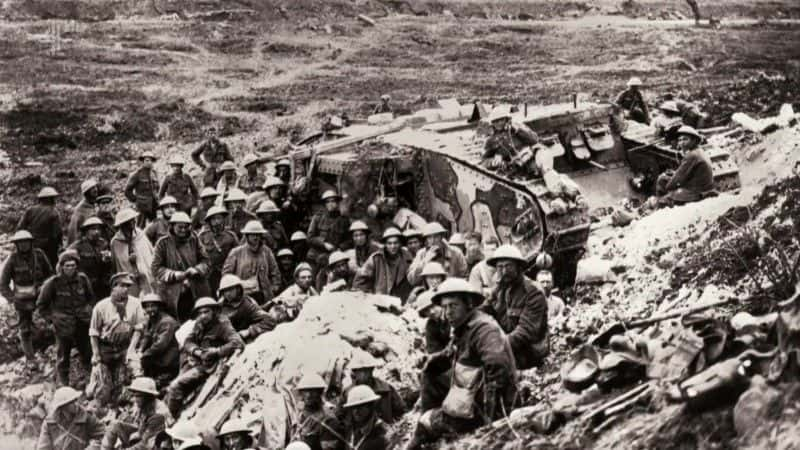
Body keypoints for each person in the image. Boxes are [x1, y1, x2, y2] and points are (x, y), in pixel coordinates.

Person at [406, 278, 517, 450]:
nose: (448, 312)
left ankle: (428, 432)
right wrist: (432, 360)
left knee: (425, 422)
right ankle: (438, 422)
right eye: (445, 307)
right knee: (430, 371)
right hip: (471, 393)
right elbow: (451, 352)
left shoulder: (484, 329)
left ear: (468, 304)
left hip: (485, 407)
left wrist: (490, 422)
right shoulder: (464, 327)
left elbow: (498, 369)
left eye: (453, 305)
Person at [166, 297, 244, 417]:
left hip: (210, 366)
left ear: (214, 311)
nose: (203, 315)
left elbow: (237, 342)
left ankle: (172, 418)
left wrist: (217, 352)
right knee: (170, 389)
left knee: (176, 386)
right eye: (200, 313)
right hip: (197, 361)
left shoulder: (222, 324)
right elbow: (187, 341)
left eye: (206, 312)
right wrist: (196, 351)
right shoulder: (200, 324)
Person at [482, 245, 548, 370]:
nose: (504, 271)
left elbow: (525, 332)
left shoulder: (533, 292)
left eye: (508, 266)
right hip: (506, 350)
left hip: (528, 357)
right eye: (500, 267)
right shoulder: (499, 289)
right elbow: (483, 312)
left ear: (518, 267)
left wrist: (496, 347)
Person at [37, 249, 95, 387]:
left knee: (87, 351)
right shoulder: (53, 283)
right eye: (67, 265)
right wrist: (51, 320)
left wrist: (88, 310)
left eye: (73, 265)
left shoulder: (82, 279)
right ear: (61, 267)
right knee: (63, 355)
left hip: (83, 321)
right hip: (63, 324)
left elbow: (91, 297)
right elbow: (41, 305)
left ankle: (90, 378)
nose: (70, 268)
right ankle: (64, 382)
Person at [89, 272, 145, 410]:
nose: (126, 289)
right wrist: (96, 354)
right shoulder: (101, 306)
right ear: (114, 287)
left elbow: (138, 328)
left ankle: (134, 404)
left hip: (124, 347)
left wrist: (131, 349)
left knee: (133, 372)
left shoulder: (135, 304)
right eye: (122, 286)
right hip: (106, 348)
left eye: (128, 286)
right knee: (100, 391)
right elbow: (94, 333)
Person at [0, 230, 53, 371]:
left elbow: (51, 274)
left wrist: (45, 289)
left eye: (26, 242)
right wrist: (12, 299)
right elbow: (3, 283)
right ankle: (30, 359)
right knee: (25, 329)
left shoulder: (39, 255)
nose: (23, 245)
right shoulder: (12, 259)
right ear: (16, 245)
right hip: (22, 299)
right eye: (20, 243)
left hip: (41, 296)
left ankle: (52, 350)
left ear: (31, 242)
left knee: (52, 321)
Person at [151, 212, 212, 321]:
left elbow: (206, 261)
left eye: (186, 227)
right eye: (180, 227)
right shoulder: (162, 243)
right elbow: (156, 268)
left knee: (199, 317)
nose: (183, 230)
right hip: (172, 292)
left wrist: (196, 270)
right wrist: (173, 274)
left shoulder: (195, 240)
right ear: (172, 226)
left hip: (195, 288)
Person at [101, 377, 172, 450]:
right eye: (134, 395)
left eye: (138, 396)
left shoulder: (158, 414)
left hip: (154, 445)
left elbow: (146, 445)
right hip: (144, 436)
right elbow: (139, 426)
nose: (135, 399)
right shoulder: (145, 405)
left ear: (148, 396)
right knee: (115, 424)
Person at [222, 221, 281, 305]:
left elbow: (275, 271)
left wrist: (274, 287)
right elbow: (226, 274)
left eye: (258, 234)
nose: (255, 237)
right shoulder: (236, 252)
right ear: (247, 236)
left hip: (263, 295)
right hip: (243, 295)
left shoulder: (266, 251)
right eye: (252, 234)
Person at [655, 125, 714, 206]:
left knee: (662, 199)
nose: (681, 143)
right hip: (702, 188)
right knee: (664, 179)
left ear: (694, 140)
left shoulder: (692, 155)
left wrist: (667, 187)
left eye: (685, 139)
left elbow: (677, 179)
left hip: (695, 192)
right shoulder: (699, 151)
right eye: (680, 140)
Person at [284, 371, 344, 450]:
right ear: (301, 393)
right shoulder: (299, 415)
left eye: (313, 391)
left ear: (320, 392)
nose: (309, 395)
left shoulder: (328, 419)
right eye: (305, 391)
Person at [353, 228, 413, 303]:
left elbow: (413, 278)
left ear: (400, 243)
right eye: (389, 243)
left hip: (403, 299)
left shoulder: (407, 257)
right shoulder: (376, 258)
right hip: (382, 300)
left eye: (396, 243)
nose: (393, 246)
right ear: (385, 244)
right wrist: (367, 297)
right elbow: (360, 279)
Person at [342, 353, 404, 424]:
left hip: (383, 432)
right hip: (360, 433)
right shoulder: (347, 393)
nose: (357, 374)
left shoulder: (386, 389)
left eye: (363, 370)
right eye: (356, 370)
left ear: (370, 370)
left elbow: (400, 411)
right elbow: (341, 416)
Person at [36, 386, 104, 450]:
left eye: (76, 400)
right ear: (62, 406)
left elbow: (102, 436)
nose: (76, 404)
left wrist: (92, 447)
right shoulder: (50, 423)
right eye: (72, 402)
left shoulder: (86, 417)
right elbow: (43, 447)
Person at [138, 294, 180, 390]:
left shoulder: (167, 322)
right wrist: (140, 350)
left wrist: (144, 355)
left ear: (159, 307)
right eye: (147, 306)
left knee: (157, 384)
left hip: (169, 362)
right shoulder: (152, 320)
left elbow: (160, 345)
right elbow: (147, 336)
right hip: (158, 360)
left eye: (153, 306)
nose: (150, 309)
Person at [217, 274, 275, 342]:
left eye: (230, 290)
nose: (227, 294)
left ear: (238, 289)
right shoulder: (220, 305)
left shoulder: (247, 305)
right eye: (225, 291)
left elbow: (270, 321)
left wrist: (249, 331)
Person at [481, 106, 539, 171]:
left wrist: (518, 130)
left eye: (501, 120)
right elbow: (484, 161)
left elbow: (535, 140)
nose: (499, 123)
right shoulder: (491, 140)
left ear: (507, 120)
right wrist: (493, 162)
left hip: (530, 158)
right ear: (492, 123)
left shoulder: (517, 128)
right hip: (513, 168)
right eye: (495, 121)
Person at [69, 217, 114, 300]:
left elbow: (108, 267)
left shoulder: (103, 244)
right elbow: (67, 263)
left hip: (102, 286)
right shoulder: (77, 246)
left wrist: (107, 261)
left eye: (98, 229)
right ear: (86, 231)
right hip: (84, 285)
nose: (96, 232)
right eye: (93, 229)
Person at [197, 206, 239, 294]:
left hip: (225, 272)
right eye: (214, 219)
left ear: (223, 220)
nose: (217, 222)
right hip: (208, 274)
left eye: (219, 218)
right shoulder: (203, 236)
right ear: (209, 222)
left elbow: (238, 255)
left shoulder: (231, 236)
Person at [110, 208, 151, 297]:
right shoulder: (115, 242)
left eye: (133, 219)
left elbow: (150, 253)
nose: (133, 222)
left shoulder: (141, 235)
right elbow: (115, 265)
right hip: (129, 279)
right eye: (129, 221)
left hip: (145, 277)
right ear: (122, 224)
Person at [17, 186, 62, 266]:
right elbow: (57, 233)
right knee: (49, 268)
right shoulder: (54, 212)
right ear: (50, 199)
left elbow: (20, 227)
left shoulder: (30, 210)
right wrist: (59, 245)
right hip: (48, 247)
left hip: (31, 244)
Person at [307, 190, 351, 268]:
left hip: (335, 255)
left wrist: (340, 247)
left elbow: (350, 240)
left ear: (337, 203)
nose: (330, 204)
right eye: (327, 202)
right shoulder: (317, 218)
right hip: (317, 254)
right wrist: (324, 244)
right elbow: (310, 238)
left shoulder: (344, 221)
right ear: (324, 204)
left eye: (333, 201)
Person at [341, 385, 390, 450]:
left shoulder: (382, 434)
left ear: (371, 406)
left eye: (360, 406)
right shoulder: (351, 430)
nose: (356, 411)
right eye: (353, 407)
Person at [125, 151, 160, 227]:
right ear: (142, 161)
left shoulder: (154, 173)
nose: (149, 162)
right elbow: (127, 191)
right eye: (147, 160)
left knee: (154, 225)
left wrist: (156, 198)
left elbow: (157, 188)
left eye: (151, 160)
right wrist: (136, 200)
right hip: (142, 206)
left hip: (153, 205)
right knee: (140, 226)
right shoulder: (137, 174)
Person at [67, 178, 102, 244]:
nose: (95, 190)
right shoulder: (80, 210)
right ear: (87, 192)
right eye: (92, 188)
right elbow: (74, 231)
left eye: (95, 187)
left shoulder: (95, 205)